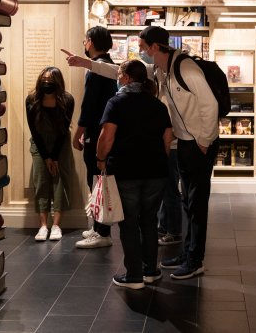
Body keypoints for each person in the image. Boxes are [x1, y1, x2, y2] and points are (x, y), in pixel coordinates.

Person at [66, 25, 219, 280]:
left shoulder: (185, 67)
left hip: (198, 143)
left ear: (155, 47)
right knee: (187, 202)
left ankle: (195, 259)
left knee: (197, 203)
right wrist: (85, 63)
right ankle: (187, 253)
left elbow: (209, 103)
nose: (140, 50)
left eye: (143, 46)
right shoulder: (159, 70)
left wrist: (204, 140)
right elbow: (120, 71)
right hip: (183, 142)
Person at [96, 60, 173, 289]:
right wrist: (160, 160)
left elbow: (106, 137)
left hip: (126, 170)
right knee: (149, 221)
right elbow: (167, 138)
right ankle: (150, 271)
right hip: (156, 171)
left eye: (120, 73)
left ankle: (134, 276)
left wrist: (100, 159)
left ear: (128, 77)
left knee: (129, 222)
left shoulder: (116, 103)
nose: (118, 77)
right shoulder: (158, 105)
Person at [71, 26, 118, 249]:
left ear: (90, 42)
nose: (83, 43)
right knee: (99, 178)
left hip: (97, 131)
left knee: (97, 179)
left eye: (85, 40)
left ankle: (103, 231)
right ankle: (98, 227)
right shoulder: (110, 65)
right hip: (104, 129)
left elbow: (89, 105)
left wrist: (78, 133)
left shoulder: (97, 69)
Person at [25, 67, 76, 241]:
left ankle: (56, 225)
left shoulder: (67, 100)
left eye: (50, 80)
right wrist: (46, 157)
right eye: (44, 80)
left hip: (60, 145)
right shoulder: (31, 100)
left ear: (58, 83)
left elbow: (63, 131)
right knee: (41, 182)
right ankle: (43, 226)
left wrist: (54, 157)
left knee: (60, 182)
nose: (47, 83)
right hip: (40, 146)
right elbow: (34, 130)